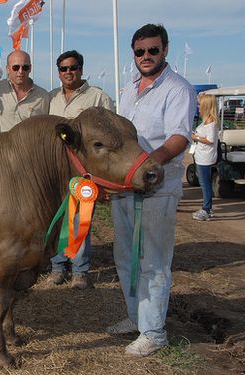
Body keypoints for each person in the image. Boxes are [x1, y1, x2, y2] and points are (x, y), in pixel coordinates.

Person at [107, 24, 196, 357]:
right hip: (124, 189)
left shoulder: (177, 89)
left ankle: (154, 332)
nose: (146, 56)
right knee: (126, 257)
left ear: (165, 50)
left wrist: (149, 164)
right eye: (140, 51)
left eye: (152, 50)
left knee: (153, 262)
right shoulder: (128, 90)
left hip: (156, 188)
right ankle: (136, 319)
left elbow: (178, 137)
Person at [46, 50, 114, 290]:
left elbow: (111, 137)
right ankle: (57, 266)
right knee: (56, 219)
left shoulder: (98, 97)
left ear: (81, 70)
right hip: (55, 170)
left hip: (83, 172)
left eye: (73, 68)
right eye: (64, 69)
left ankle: (80, 270)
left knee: (80, 220)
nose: (68, 73)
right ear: (58, 73)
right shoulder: (51, 99)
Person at [0, 50, 50, 132]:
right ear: (7, 69)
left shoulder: (43, 97)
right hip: (0, 144)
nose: (20, 71)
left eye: (25, 67)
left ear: (30, 69)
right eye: (16, 67)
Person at [190, 93, 218, 221]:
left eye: (200, 104)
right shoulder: (206, 121)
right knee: (203, 182)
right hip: (201, 155)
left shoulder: (211, 122)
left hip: (205, 158)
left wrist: (195, 137)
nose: (198, 106)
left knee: (204, 183)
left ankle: (206, 209)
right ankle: (207, 208)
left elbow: (210, 140)